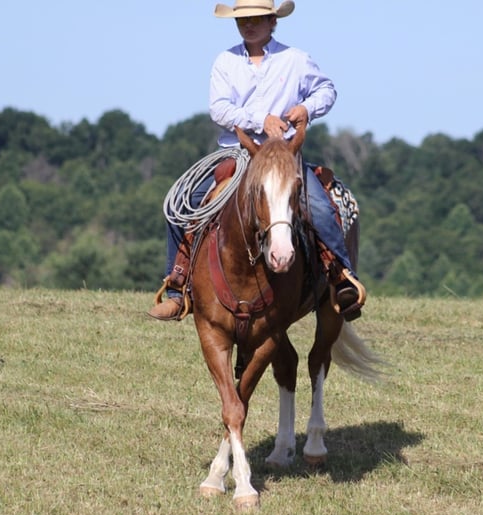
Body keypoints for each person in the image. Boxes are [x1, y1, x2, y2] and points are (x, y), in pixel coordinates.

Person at [148, 0, 365, 321]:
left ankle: (341, 278)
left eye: (256, 19)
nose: (248, 25)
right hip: (237, 152)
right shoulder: (226, 61)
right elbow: (219, 108)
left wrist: (307, 108)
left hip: (282, 155)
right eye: (242, 20)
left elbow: (327, 90)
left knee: (319, 205)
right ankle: (178, 287)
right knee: (181, 204)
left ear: (272, 21)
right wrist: (258, 119)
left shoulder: (295, 60)